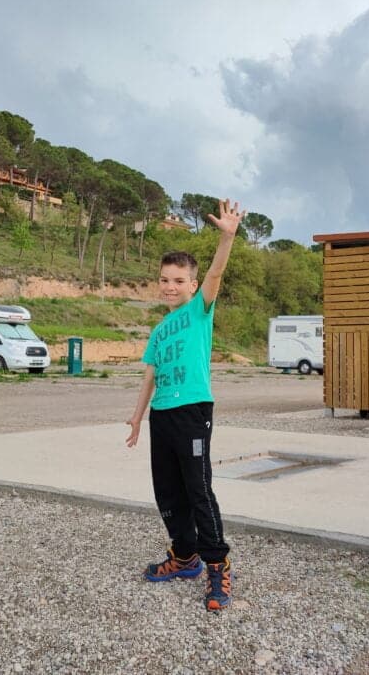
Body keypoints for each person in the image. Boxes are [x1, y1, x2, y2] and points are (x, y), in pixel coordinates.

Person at [125, 198, 245, 612]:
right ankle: (184, 556)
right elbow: (149, 376)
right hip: (162, 414)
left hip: (194, 410)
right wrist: (138, 420)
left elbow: (216, 271)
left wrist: (226, 238)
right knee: (168, 490)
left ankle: (217, 564)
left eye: (178, 280)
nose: (170, 286)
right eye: (164, 280)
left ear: (191, 286)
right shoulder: (159, 329)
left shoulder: (200, 310)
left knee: (198, 490)